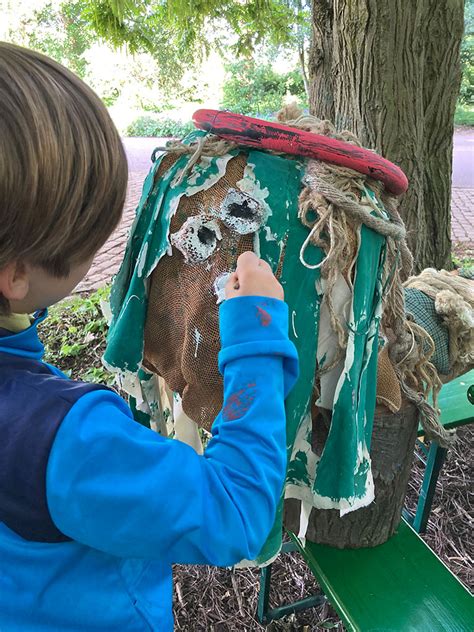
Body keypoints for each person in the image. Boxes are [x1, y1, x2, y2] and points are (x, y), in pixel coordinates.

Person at [0, 42, 298, 630]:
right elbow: (235, 513)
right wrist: (258, 337)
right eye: (89, 232)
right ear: (14, 274)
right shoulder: (70, 442)